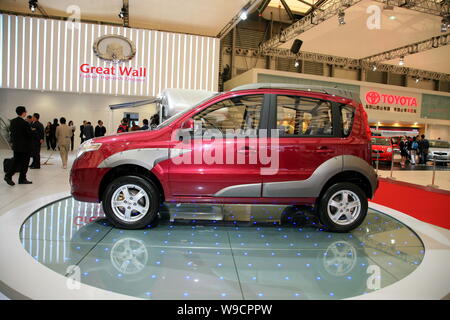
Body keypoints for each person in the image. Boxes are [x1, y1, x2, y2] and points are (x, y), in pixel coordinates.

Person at [4, 106, 33, 186]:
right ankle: (22, 179)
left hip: (16, 146)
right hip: (25, 147)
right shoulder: (25, 123)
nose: (26, 113)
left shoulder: (13, 122)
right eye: (25, 112)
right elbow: (29, 134)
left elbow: (12, 133)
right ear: (23, 113)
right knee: (25, 163)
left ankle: (8, 176)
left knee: (16, 162)